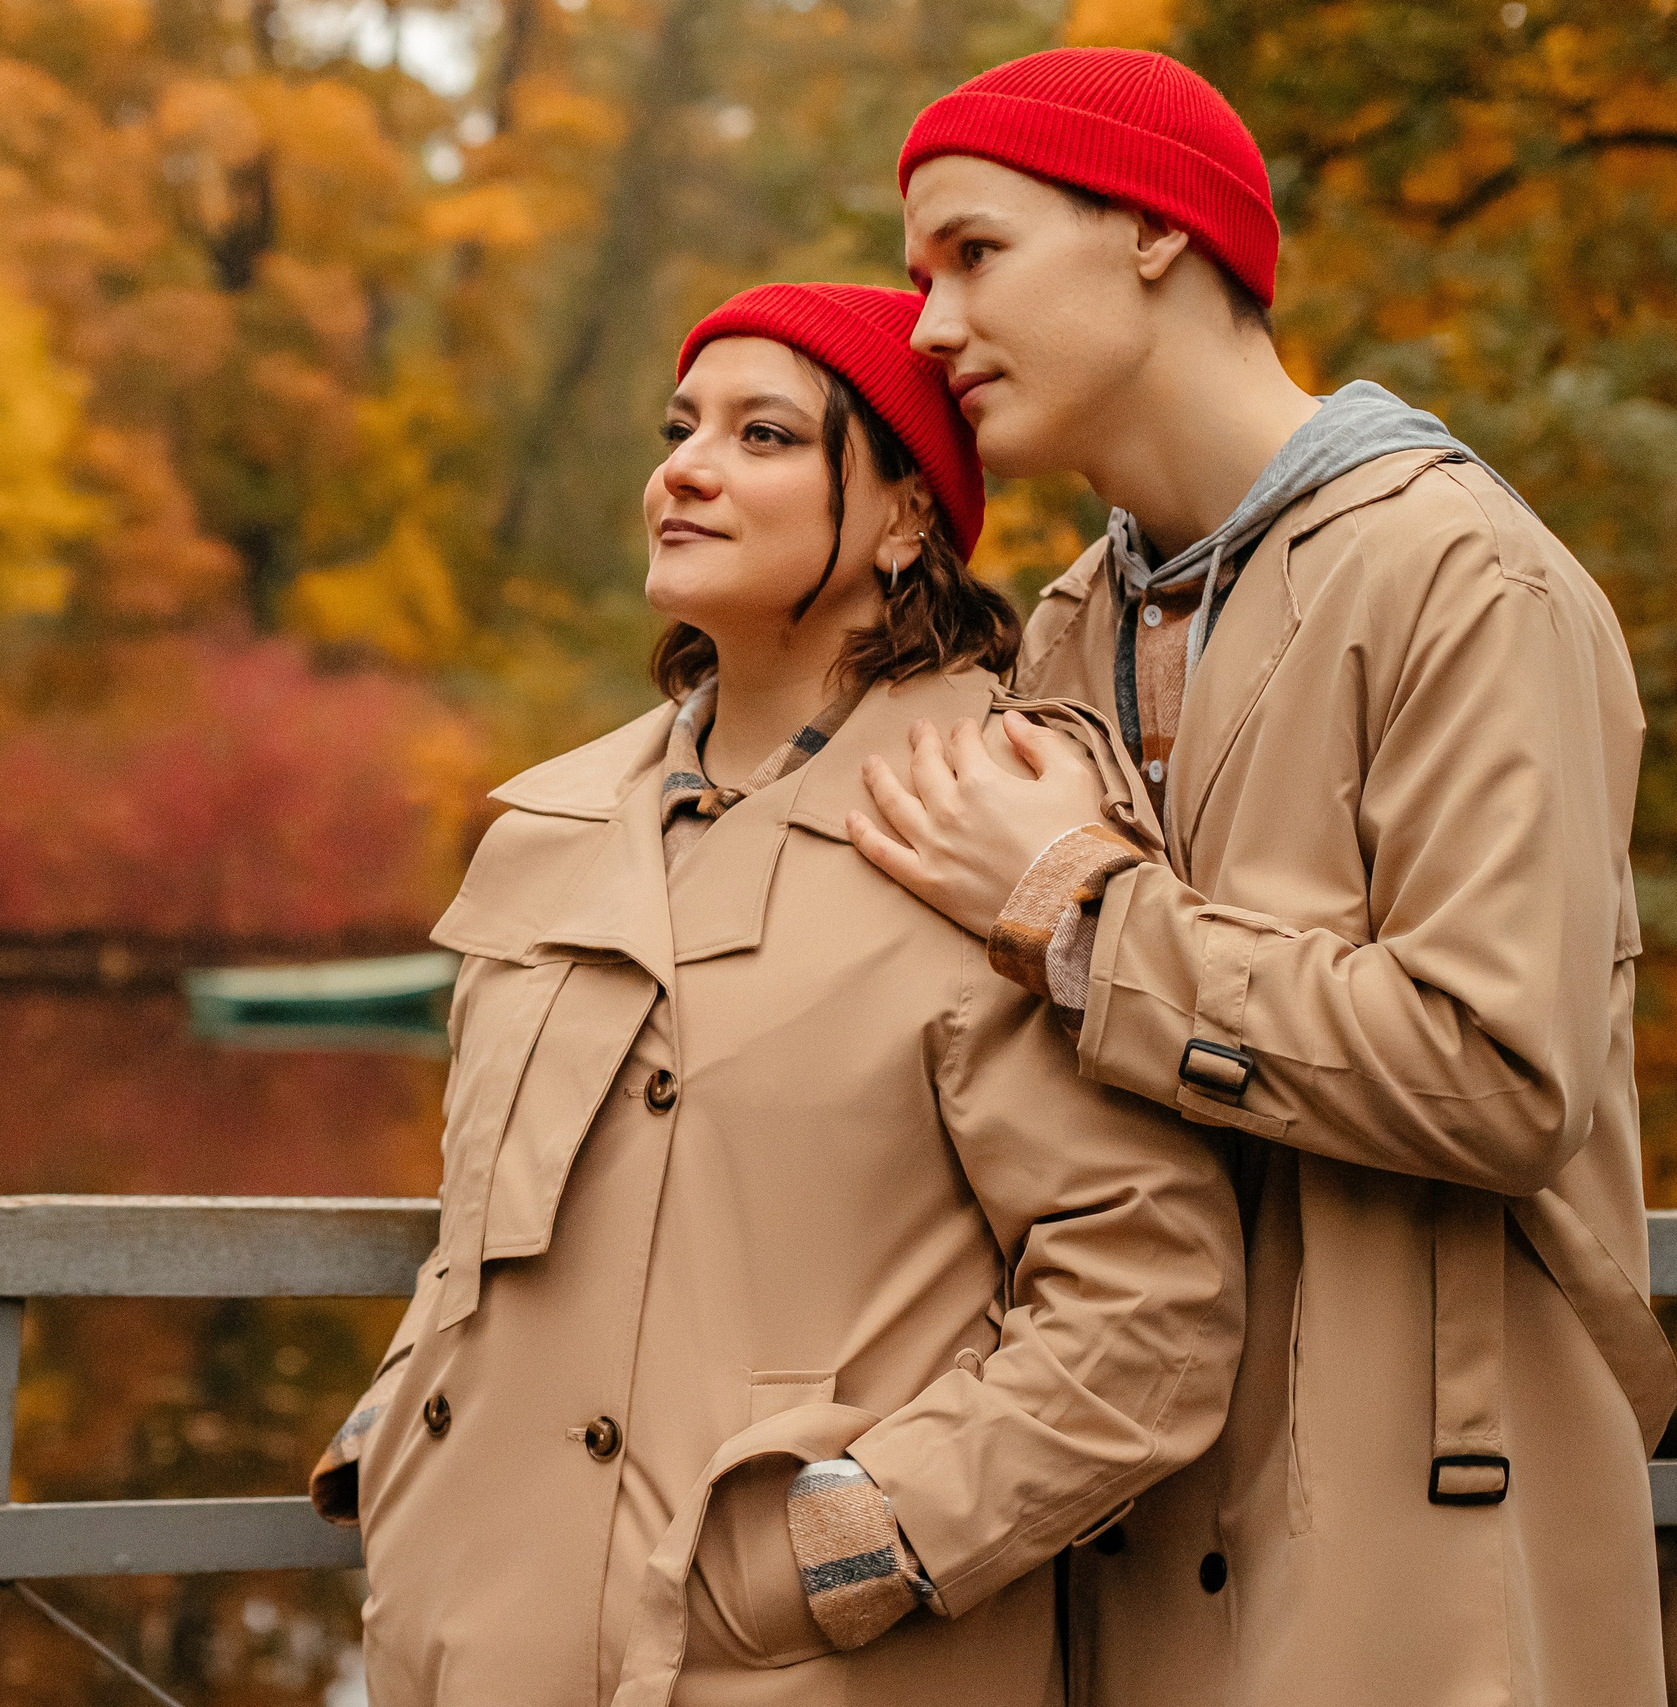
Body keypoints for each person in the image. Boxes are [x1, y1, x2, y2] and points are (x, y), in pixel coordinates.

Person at [851, 47, 1677, 1705]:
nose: (929, 324)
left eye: (975, 254)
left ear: (1155, 231)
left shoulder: (1463, 578)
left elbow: (1502, 1074)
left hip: (1430, 1557)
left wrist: (1083, 916)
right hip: (1115, 1543)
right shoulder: (1072, 626)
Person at [307, 280, 1244, 1706]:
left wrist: (849, 1545)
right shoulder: (551, 831)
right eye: (681, 426)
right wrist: (399, 1443)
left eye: (763, 436)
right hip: (470, 1640)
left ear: (904, 514)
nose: (684, 467)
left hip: (788, 1665)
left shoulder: (987, 826)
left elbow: (1151, 1309)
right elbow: (479, 1233)